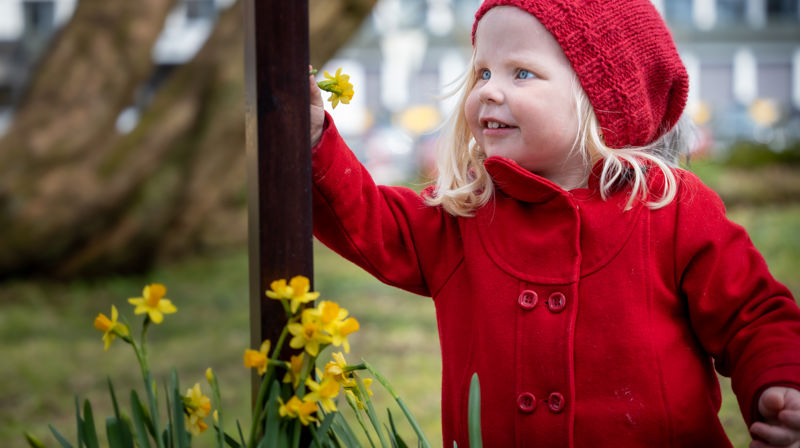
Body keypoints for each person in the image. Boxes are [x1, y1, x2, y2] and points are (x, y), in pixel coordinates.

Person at [307, 0, 800, 446]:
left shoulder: (672, 211)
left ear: (601, 99)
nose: (488, 92)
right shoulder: (465, 213)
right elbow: (370, 220)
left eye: (521, 73)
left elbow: (753, 316)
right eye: (482, 72)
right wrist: (312, 143)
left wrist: (779, 384)